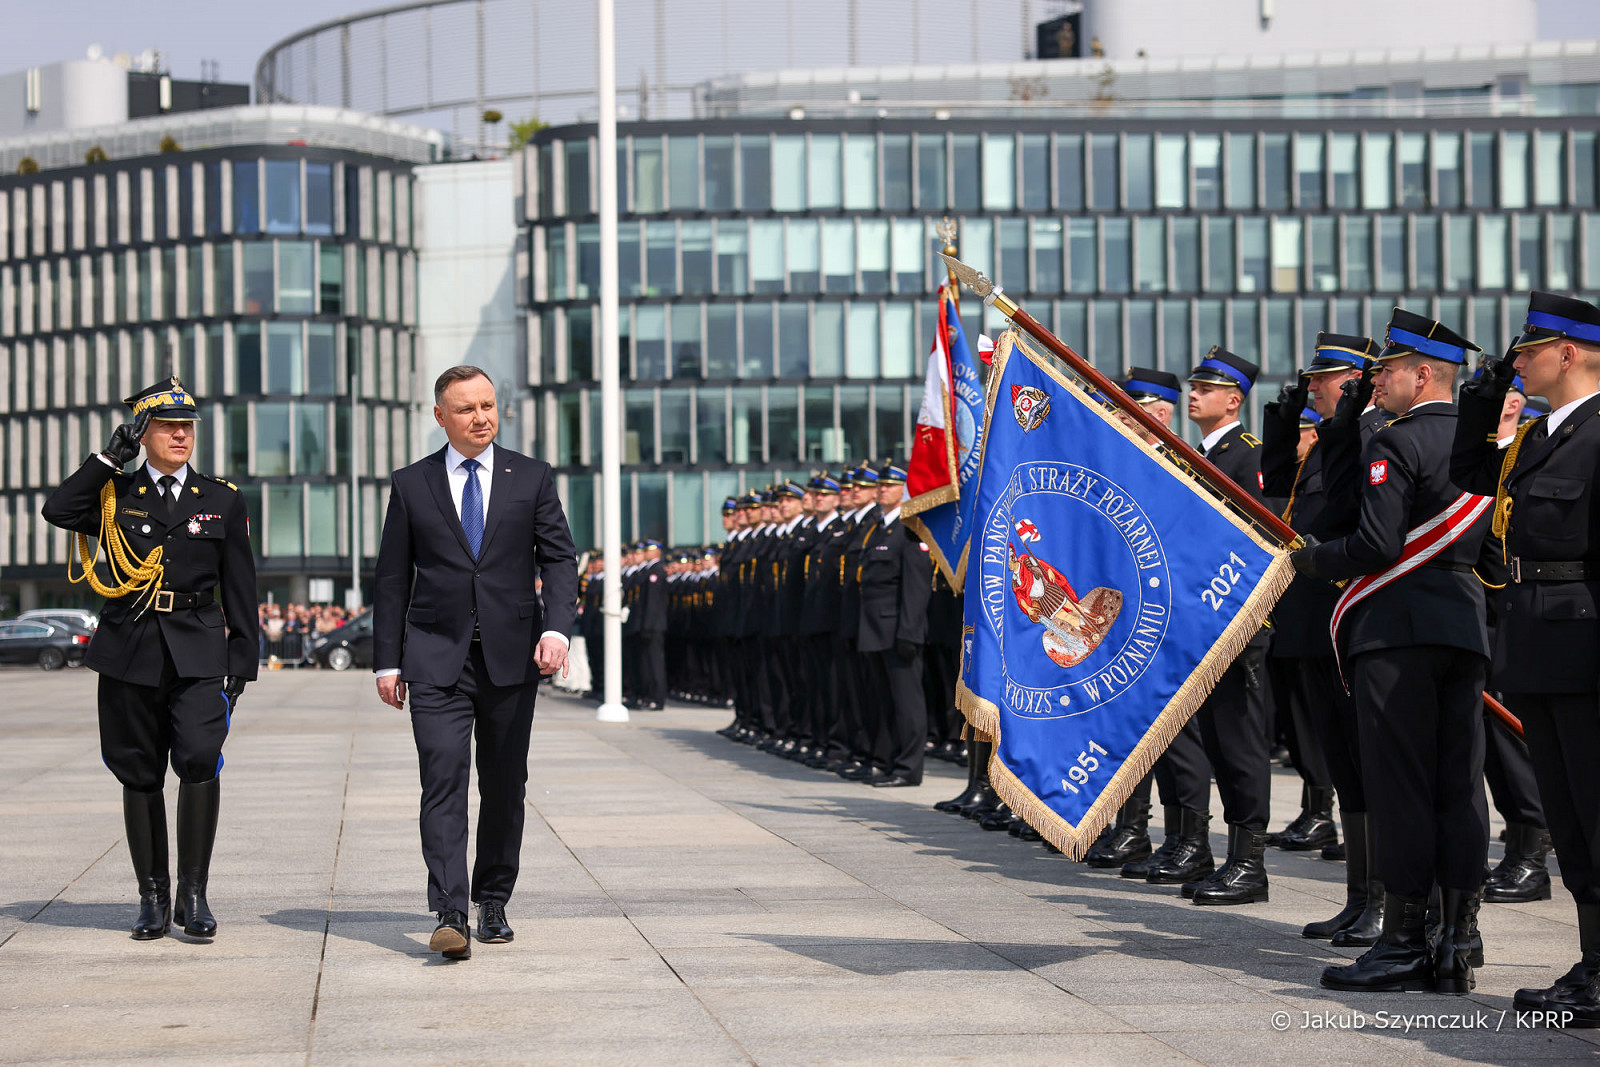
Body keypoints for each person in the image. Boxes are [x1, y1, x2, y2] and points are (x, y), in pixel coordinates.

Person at [1295, 309, 1491, 995]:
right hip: (1464, 622)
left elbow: (1375, 544)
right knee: (1459, 787)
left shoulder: (1396, 443)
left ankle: (1404, 939)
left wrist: (1314, 562)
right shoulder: (1480, 444)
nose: (1376, 381)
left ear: (1421, 373)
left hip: (1397, 628)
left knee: (1402, 786)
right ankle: (1458, 938)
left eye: (1385, 370)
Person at [373, 365, 578, 960]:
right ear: (440, 417)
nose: (481, 417)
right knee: (442, 778)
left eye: (487, 405)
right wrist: (388, 662)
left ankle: (493, 898)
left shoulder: (531, 477)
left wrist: (559, 629)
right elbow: (392, 578)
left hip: (512, 660)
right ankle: (450, 911)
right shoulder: (412, 484)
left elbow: (559, 561)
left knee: (505, 783)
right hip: (435, 658)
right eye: (466, 409)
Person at [41, 377, 258, 941]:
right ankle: (152, 898)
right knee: (139, 774)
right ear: (143, 433)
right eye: (167, 426)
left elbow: (240, 586)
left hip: (199, 648)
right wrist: (108, 460)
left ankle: (194, 894)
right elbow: (58, 510)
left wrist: (243, 662)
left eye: (187, 426)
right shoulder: (115, 495)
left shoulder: (222, 499)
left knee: (200, 759)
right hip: (129, 649)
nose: (182, 434)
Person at [1451, 292, 1600, 1023]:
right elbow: (1472, 478)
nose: (1516, 361)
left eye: (1527, 350)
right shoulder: (1540, 437)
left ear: (1566, 352)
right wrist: (1481, 403)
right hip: (1539, 648)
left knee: (1595, 816)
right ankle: (1594, 966)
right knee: (1570, 821)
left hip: (1585, 648)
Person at [1260, 334, 1387, 945]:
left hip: (1353, 617)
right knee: (1343, 763)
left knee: (1370, 762)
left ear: (1359, 380)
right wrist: (1283, 416)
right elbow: (1274, 479)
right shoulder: (1331, 444)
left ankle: (1386, 902)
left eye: (1325, 378)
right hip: (1314, 622)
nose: (1312, 387)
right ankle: (1361, 898)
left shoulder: (1374, 435)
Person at [1181, 348, 1274, 906]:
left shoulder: (1247, 458)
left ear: (1233, 400)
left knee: (1241, 743)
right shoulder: (1198, 455)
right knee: (1216, 740)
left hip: (1236, 623)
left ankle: (1251, 864)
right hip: (1202, 621)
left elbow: (1254, 543)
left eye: (1205, 388)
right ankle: (1227, 857)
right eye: (1193, 386)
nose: (1193, 395)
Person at [854, 462, 932, 787]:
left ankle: (908, 768)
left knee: (907, 704)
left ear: (904, 488)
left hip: (898, 631)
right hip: (875, 631)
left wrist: (909, 632)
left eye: (889, 485)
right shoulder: (878, 528)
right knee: (884, 703)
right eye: (879, 485)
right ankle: (889, 762)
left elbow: (916, 586)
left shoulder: (910, 528)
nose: (881, 489)